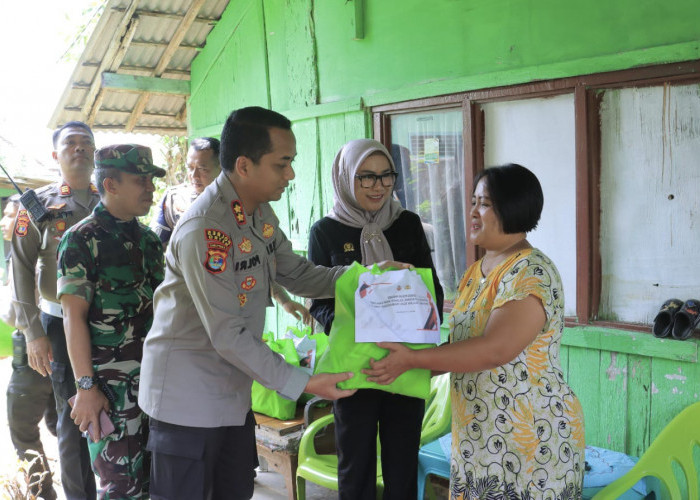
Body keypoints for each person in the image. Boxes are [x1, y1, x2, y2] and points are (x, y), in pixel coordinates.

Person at [139, 106, 397, 500]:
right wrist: (306, 382)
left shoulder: (256, 211)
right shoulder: (205, 229)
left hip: (231, 393)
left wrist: (367, 277)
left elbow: (296, 272)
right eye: (282, 164)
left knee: (236, 490)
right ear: (244, 165)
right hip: (187, 402)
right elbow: (228, 334)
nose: (290, 175)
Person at [364, 164, 585, 499]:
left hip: (529, 439)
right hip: (480, 437)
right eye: (472, 202)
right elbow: (460, 347)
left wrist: (412, 360)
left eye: (484, 203)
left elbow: (494, 349)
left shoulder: (531, 271)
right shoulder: (475, 272)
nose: (472, 211)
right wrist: (397, 362)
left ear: (513, 208)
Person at [307, 138, 444, 499]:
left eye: (386, 176)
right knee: (356, 464)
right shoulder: (326, 231)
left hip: (405, 360)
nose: (378, 186)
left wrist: (424, 333)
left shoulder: (408, 224)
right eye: (366, 177)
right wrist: (363, 317)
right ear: (345, 177)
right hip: (355, 365)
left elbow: (432, 289)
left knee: (402, 463)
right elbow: (318, 302)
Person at [57, 144, 165, 499]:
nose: (150, 188)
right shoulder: (81, 239)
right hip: (110, 391)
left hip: (158, 384)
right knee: (120, 487)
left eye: (151, 180)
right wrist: (86, 388)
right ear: (111, 184)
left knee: (158, 481)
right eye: (140, 180)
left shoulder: (150, 241)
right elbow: (73, 317)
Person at [11, 121, 99, 500]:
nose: (79, 148)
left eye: (86, 143)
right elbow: (19, 268)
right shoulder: (38, 206)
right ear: (56, 155)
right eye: (70, 143)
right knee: (74, 415)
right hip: (59, 325)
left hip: (110, 325)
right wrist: (33, 333)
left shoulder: (111, 198)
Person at [151, 136, 313, 325]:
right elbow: (157, 257)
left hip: (237, 310)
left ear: (222, 168)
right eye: (190, 168)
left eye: (203, 169)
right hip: (190, 314)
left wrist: (283, 299)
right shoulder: (173, 202)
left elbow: (259, 261)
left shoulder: (247, 207)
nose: (194, 176)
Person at [2, 195, 58, 500]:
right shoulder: (19, 254)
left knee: (22, 425)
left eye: (10, 216)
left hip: (35, 343)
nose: (3, 222)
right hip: (35, 342)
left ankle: (44, 492)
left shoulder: (34, 256)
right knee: (57, 421)